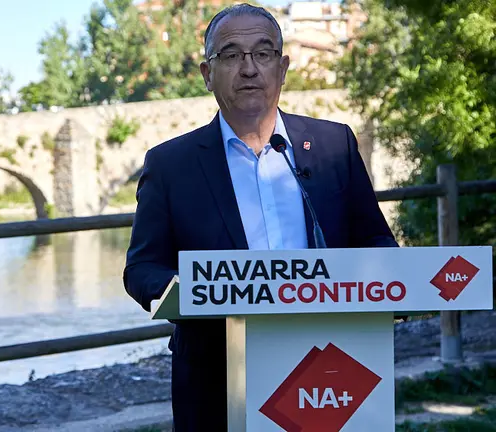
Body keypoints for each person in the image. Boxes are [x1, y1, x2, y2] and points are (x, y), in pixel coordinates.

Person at [123, 4, 397, 431]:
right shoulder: (170, 165)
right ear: (207, 74)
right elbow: (142, 269)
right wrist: (197, 292)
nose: (249, 68)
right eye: (231, 55)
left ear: (282, 69)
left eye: (263, 53)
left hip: (329, 366)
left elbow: (377, 241)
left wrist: (390, 279)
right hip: (219, 378)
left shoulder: (334, 146)